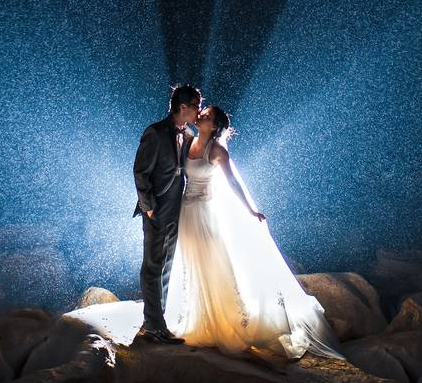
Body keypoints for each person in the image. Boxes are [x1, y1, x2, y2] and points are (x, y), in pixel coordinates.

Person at [75, 101, 344, 361]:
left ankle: (225, 320)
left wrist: (252, 210)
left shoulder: (217, 151)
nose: (201, 114)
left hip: (204, 213)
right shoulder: (187, 139)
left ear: (214, 126)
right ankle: (180, 318)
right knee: (185, 265)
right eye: (200, 110)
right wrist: (150, 207)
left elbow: (233, 182)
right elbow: (157, 171)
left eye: (207, 114)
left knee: (213, 264)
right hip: (184, 212)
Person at [131, 83, 201, 343]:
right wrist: (149, 208)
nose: (199, 111)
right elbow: (140, 172)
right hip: (157, 210)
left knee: (167, 267)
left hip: (176, 210)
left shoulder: (189, 134)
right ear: (183, 107)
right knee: (152, 267)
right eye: (196, 106)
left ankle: (155, 322)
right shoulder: (155, 132)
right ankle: (154, 328)